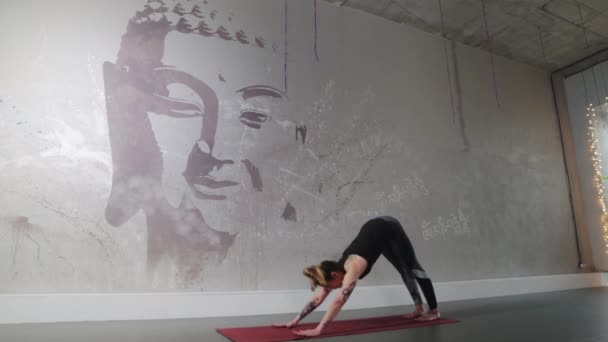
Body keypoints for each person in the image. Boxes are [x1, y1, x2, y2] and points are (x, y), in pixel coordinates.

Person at [273, 216, 440, 337]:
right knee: (401, 269)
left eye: (331, 286)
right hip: (376, 232)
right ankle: (419, 308)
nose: (333, 289)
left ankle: (433, 310)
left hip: (389, 226)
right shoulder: (335, 271)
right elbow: (318, 298)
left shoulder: (353, 267)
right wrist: (294, 321)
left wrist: (319, 329)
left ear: (334, 274)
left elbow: (339, 300)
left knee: (411, 268)